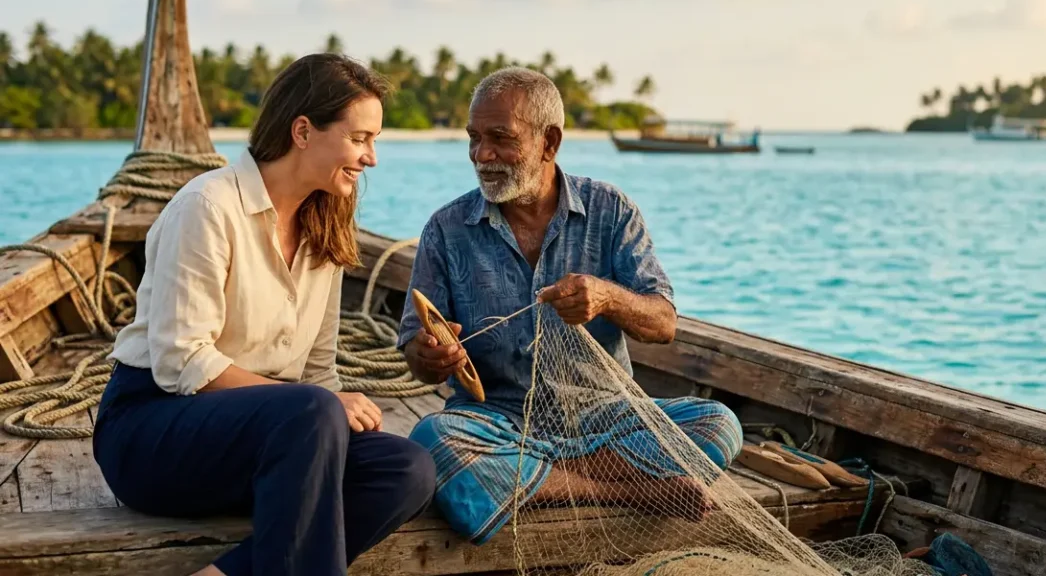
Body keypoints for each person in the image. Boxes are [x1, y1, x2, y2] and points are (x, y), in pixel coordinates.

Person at [93, 54, 436, 576]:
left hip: (271, 437)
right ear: (303, 131)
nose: (371, 158)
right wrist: (318, 406)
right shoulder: (208, 207)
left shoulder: (328, 227)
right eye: (359, 139)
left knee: (406, 469)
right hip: (153, 434)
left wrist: (329, 414)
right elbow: (181, 363)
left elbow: (318, 372)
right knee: (312, 409)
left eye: (374, 141)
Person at [400, 66, 742, 545]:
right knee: (432, 442)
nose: (482, 154)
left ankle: (531, 482)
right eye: (474, 138)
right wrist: (430, 356)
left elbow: (663, 324)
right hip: (497, 422)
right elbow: (416, 356)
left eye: (500, 138)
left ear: (550, 142)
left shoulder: (611, 210)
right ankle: (628, 491)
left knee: (719, 425)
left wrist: (607, 296)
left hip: (606, 418)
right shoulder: (446, 228)